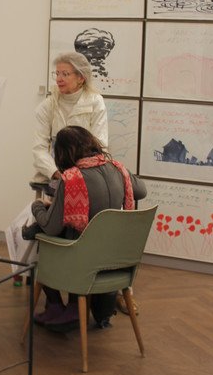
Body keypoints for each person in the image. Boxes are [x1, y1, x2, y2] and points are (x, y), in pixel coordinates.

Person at [23, 126, 147, 332]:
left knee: (41, 239)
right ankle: (72, 308)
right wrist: (122, 173)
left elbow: (51, 227)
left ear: (62, 153)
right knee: (74, 236)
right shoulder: (117, 168)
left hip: (82, 264)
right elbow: (141, 191)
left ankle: (57, 307)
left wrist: (37, 206)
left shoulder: (70, 179)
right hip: (116, 259)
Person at [32, 51, 108, 184]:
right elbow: (39, 149)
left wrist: (80, 175)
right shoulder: (48, 106)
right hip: (56, 174)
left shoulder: (95, 102)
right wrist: (55, 173)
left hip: (88, 174)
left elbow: (100, 144)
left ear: (81, 78)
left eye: (65, 74)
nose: (59, 79)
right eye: (57, 73)